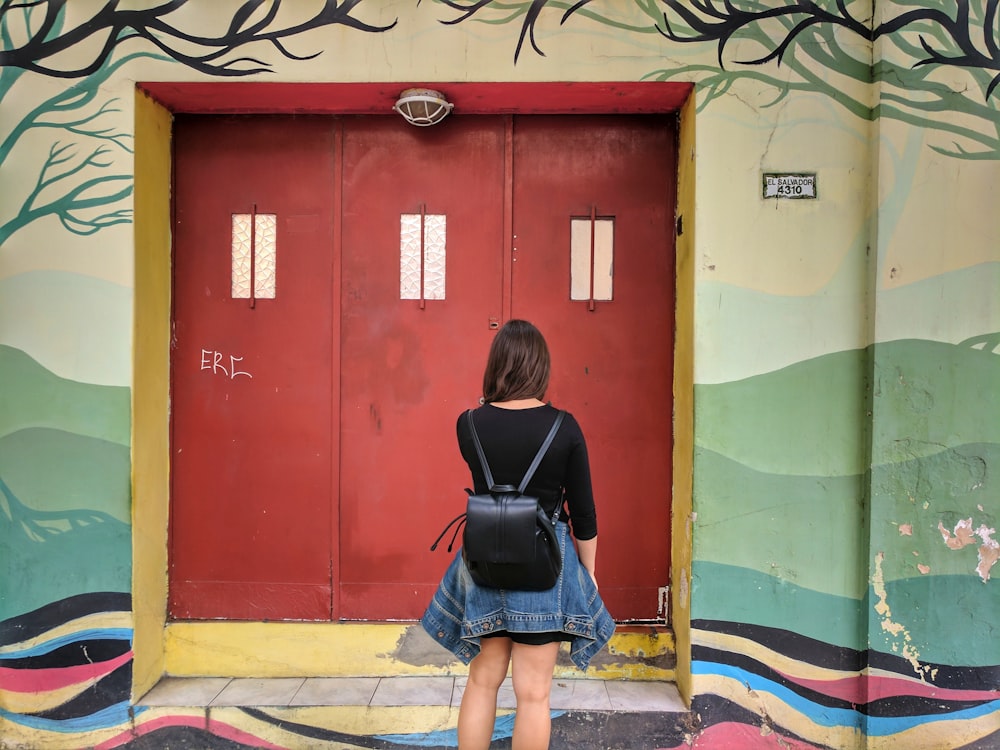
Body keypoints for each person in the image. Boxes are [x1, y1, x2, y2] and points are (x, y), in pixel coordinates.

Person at [422, 319, 615, 750]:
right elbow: (584, 514)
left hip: (485, 562)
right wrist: (589, 571)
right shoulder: (565, 427)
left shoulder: (468, 423)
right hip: (544, 568)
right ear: (540, 368)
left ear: (497, 366)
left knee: (482, 681)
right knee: (533, 695)